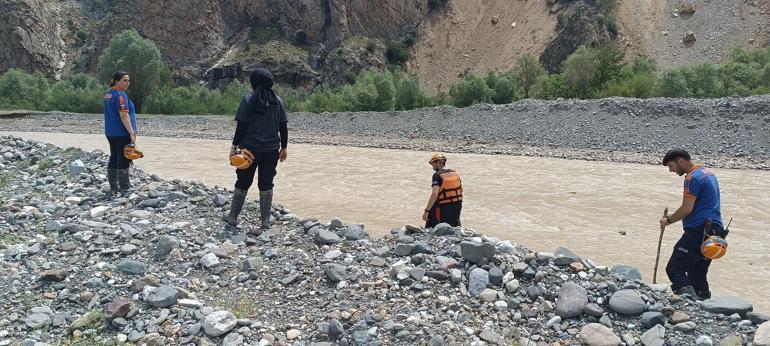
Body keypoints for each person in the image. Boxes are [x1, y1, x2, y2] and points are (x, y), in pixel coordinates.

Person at [223, 68, 288, 232]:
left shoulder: (248, 99)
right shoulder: (278, 101)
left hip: (248, 151)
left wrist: (233, 147)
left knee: (243, 182)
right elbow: (283, 127)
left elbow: (241, 126)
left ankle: (232, 218)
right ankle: (265, 222)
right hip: (271, 150)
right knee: (266, 183)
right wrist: (284, 148)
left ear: (254, 82)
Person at [660, 149, 725, 300]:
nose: (671, 170)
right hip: (715, 231)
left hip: (699, 229)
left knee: (674, 268)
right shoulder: (707, 173)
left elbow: (687, 208)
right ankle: (705, 305)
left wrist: (668, 221)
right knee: (697, 273)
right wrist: (673, 216)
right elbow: (701, 205)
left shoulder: (692, 178)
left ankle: (688, 303)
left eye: (671, 166)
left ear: (680, 161)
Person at [102, 71, 138, 199]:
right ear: (116, 81)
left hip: (110, 132)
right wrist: (131, 132)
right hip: (121, 132)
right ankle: (125, 187)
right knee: (123, 158)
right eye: (124, 80)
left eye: (128, 80)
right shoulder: (120, 95)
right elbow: (124, 115)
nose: (128, 83)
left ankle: (113, 187)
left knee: (114, 157)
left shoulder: (108, 94)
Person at [422, 152, 463, 228]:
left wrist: (426, 211)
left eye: (433, 164)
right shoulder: (454, 173)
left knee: (431, 225)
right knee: (454, 226)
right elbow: (461, 190)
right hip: (457, 205)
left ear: (437, 163)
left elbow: (434, 194)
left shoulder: (437, 175)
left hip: (443, 207)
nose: (432, 166)